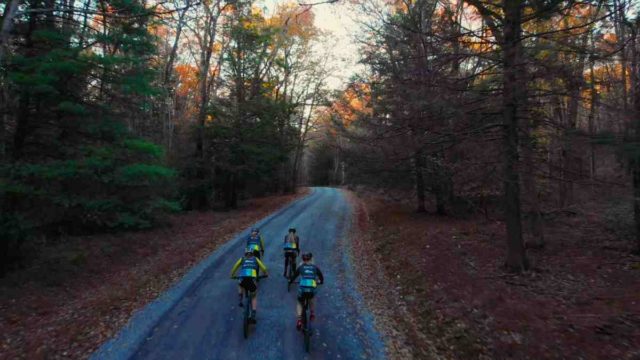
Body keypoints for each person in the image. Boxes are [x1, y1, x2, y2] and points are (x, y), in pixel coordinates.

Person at [230, 248, 269, 323]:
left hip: (243, 278)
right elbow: (263, 267)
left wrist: (232, 275)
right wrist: (265, 273)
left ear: (245, 254)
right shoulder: (255, 259)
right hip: (251, 279)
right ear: (252, 253)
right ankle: (253, 313)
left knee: (240, 284)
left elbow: (235, 267)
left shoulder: (242, 259)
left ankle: (240, 297)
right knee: (254, 295)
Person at [289, 252, 324, 330]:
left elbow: (294, 276)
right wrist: (321, 282)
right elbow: (321, 276)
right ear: (311, 259)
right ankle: (312, 313)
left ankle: (299, 320)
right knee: (312, 298)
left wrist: (291, 282)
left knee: (299, 301)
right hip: (311, 289)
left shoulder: (301, 267)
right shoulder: (315, 267)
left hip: (302, 289)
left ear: (302, 259)